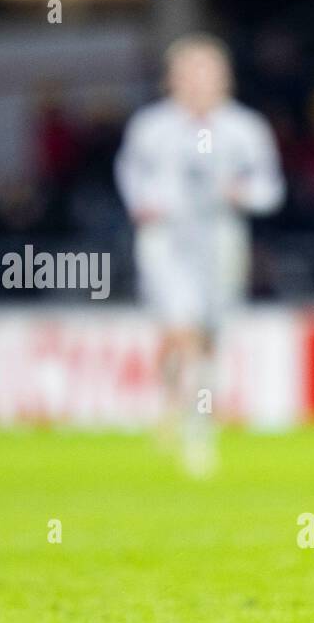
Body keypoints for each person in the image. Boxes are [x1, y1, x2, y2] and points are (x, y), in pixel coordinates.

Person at [114, 34, 284, 477]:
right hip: (166, 240)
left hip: (221, 238)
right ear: (173, 79)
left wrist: (243, 193)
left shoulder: (245, 128)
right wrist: (141, 203)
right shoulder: (151, 126)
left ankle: (184, 410)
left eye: (207, 72)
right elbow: (130, 171)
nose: (198, 82)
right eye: (189, 72)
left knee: (207, 339)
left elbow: (270, 188)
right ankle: (194, 435)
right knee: (183, 329)